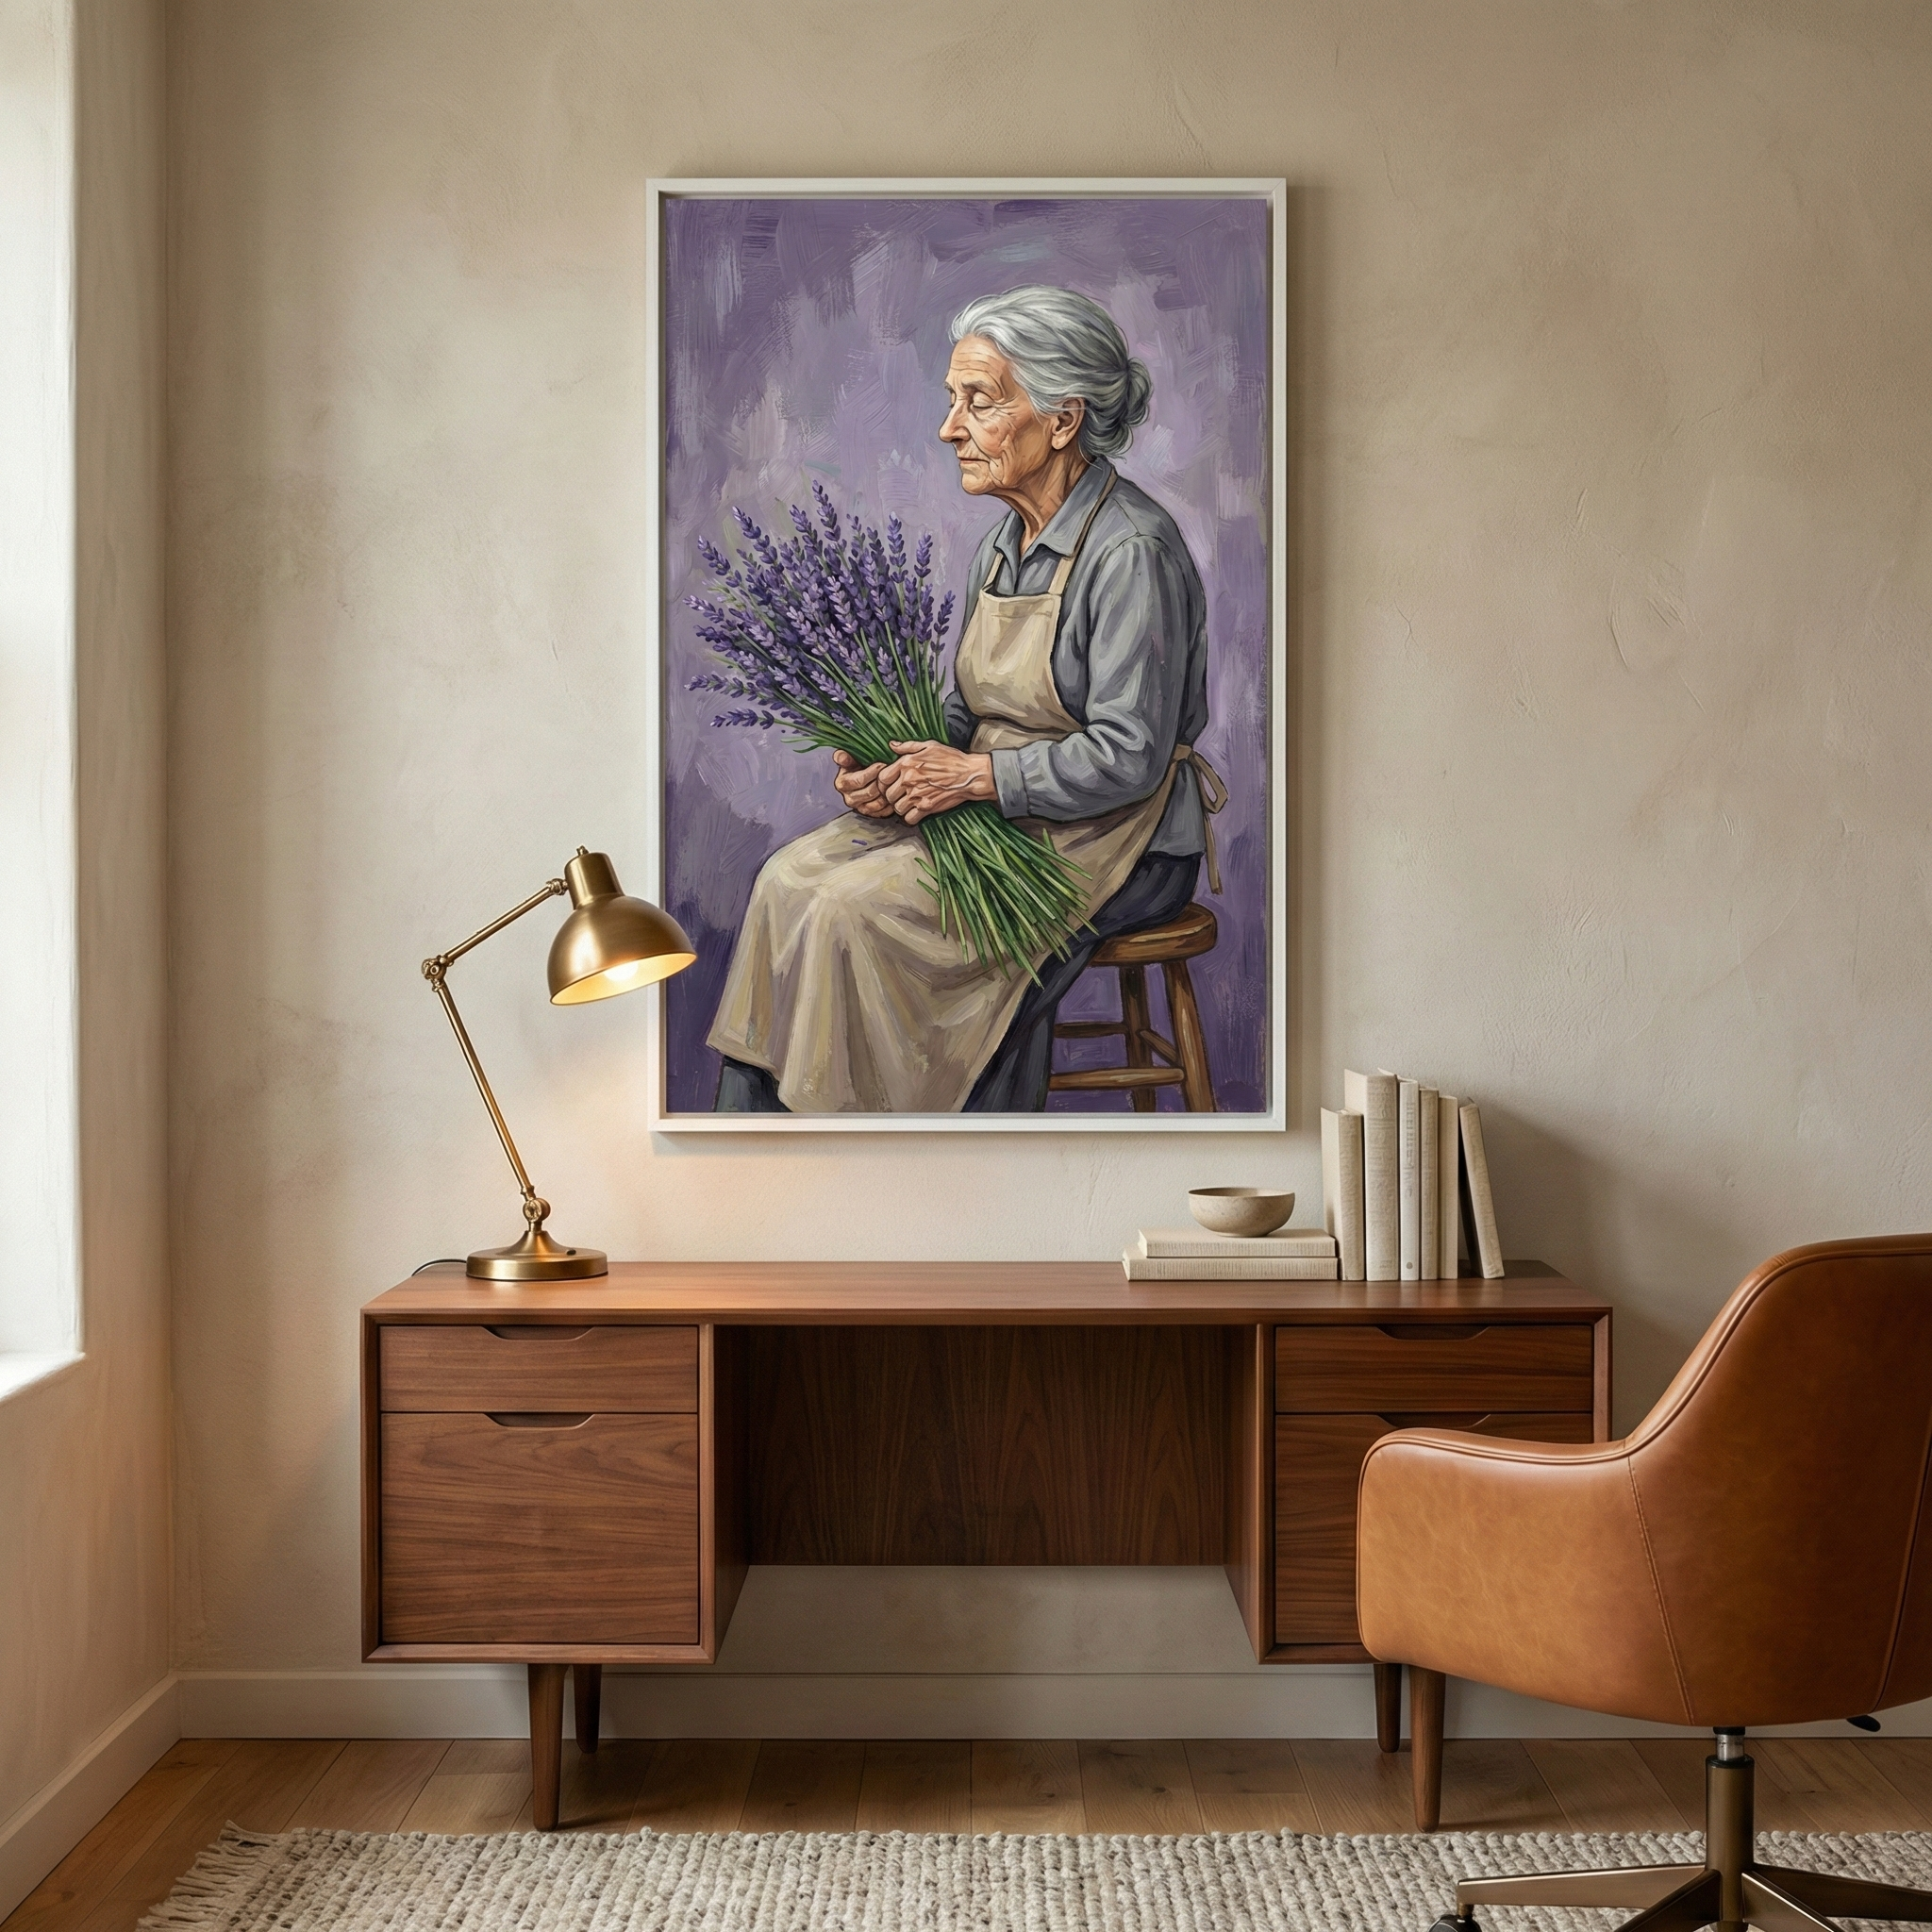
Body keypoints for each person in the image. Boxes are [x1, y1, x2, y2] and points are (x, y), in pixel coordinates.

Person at [710, 284, 1222, 1112]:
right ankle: (761, 1157)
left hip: (1121, 837)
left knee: (848, 915)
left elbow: (1130, 756)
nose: (950, 428)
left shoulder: (1131, 551)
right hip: (1004, 813)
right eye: (954, 401)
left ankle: (890, 1161)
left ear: (1062, 420)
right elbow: (972, 709)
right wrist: (894, 765)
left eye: (978, 402)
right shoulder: (1005, 541)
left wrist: (973, 780)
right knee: (785, 884)